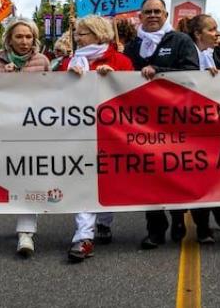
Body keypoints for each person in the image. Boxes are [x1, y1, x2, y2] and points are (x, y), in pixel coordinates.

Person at [123, 0, 199, 249]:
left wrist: (159, 72)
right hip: (141, 122)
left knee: (173, 172)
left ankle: (178, 217)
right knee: (148, 175)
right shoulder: (133, 46)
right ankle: (155, 228)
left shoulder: (181, 41)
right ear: (141, 17)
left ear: (166, 16)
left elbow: (192, 73)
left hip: (174, 119)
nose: (153, 15)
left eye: (158, 11)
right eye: (148, 12)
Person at [59, 15, 134, 262]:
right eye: (78, 34)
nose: (77, 38)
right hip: (79, 132)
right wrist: (67, 77)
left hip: (112, 133)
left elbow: (132, 96)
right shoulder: (69, 62)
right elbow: (54, 93)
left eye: (82, 34)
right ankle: (84, 237)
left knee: (109, 178)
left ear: (99, 34)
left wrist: (114, 79)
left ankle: (104, 221)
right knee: (86, 182)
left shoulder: (120, 61)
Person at [0, 18, 50, 257]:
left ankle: (26, 231)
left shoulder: (42, 61)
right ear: (9, 39)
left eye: (29, 37)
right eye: (19, 37)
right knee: (13, 176)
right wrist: (4, 80)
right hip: (8, 130)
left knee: (29, 176)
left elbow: (56, 93)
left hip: (35, 130)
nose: (24, 41)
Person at [186, 14, 220, 238]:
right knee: (199, 174)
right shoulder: (186, 55)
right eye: (212, 29)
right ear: (198, 34)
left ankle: (217, 205)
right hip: (191, 124)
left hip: (217, 123)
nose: (217, 32)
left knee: (216, 171)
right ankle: (203, 227)